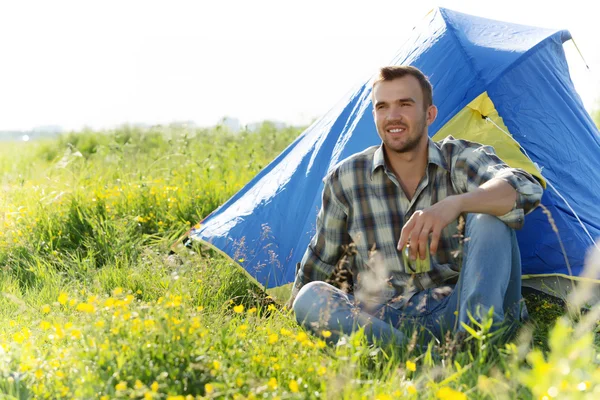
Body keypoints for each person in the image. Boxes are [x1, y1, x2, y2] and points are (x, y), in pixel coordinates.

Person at [287, 65, 544, 346]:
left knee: (489, 216)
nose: (393, 116)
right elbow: (322, 258)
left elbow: (524, 187)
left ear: (429, 114)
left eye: (405, 104)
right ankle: (426, 361)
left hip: (457, 309)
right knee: (310, 297)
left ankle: (472, 346)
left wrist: (455, 204)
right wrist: (292, 309)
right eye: (382, 106)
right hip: (384, 320)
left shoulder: (458, 158)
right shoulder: (346, 177)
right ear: (374, 115)